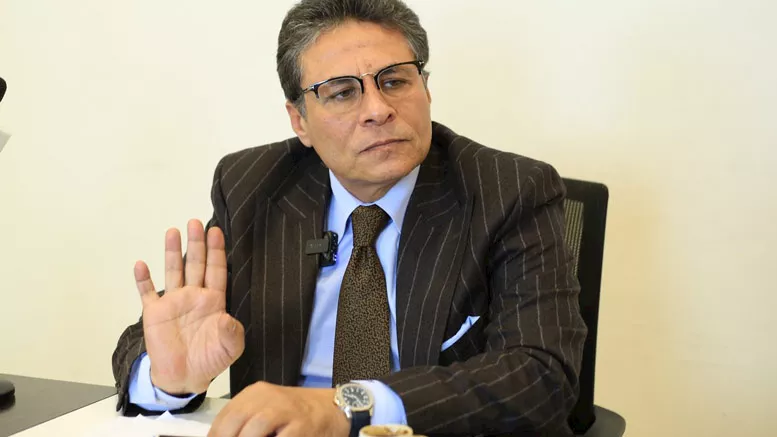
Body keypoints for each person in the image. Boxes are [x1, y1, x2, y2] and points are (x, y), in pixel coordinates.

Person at [111, 0, 587, 436]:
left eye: (395, 81)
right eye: (341, 93)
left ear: (425, 88)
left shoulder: (510, 191)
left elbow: (540, 374)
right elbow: (171, 331)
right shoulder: (253, 187)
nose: (378, 110)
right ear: (300, 120)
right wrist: (168, 381)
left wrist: (347, 408)